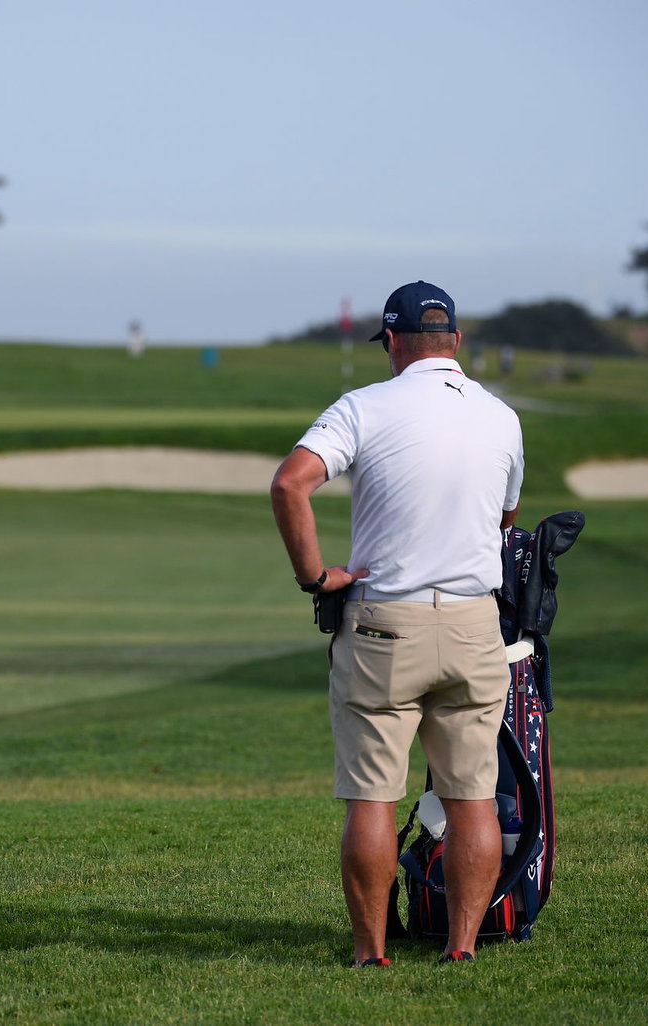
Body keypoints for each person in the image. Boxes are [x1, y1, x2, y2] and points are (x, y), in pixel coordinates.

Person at [269, 281, 524, 966]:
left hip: (385, 627)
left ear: (391, 342)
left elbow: (290, 482)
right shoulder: (502, 416)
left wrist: (317, 578)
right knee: (471, 797)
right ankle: (463, 947)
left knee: (373, 798)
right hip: (475, 628)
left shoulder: (363, 406)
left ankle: (370, 952)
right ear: (457, 344)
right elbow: (504, 520)